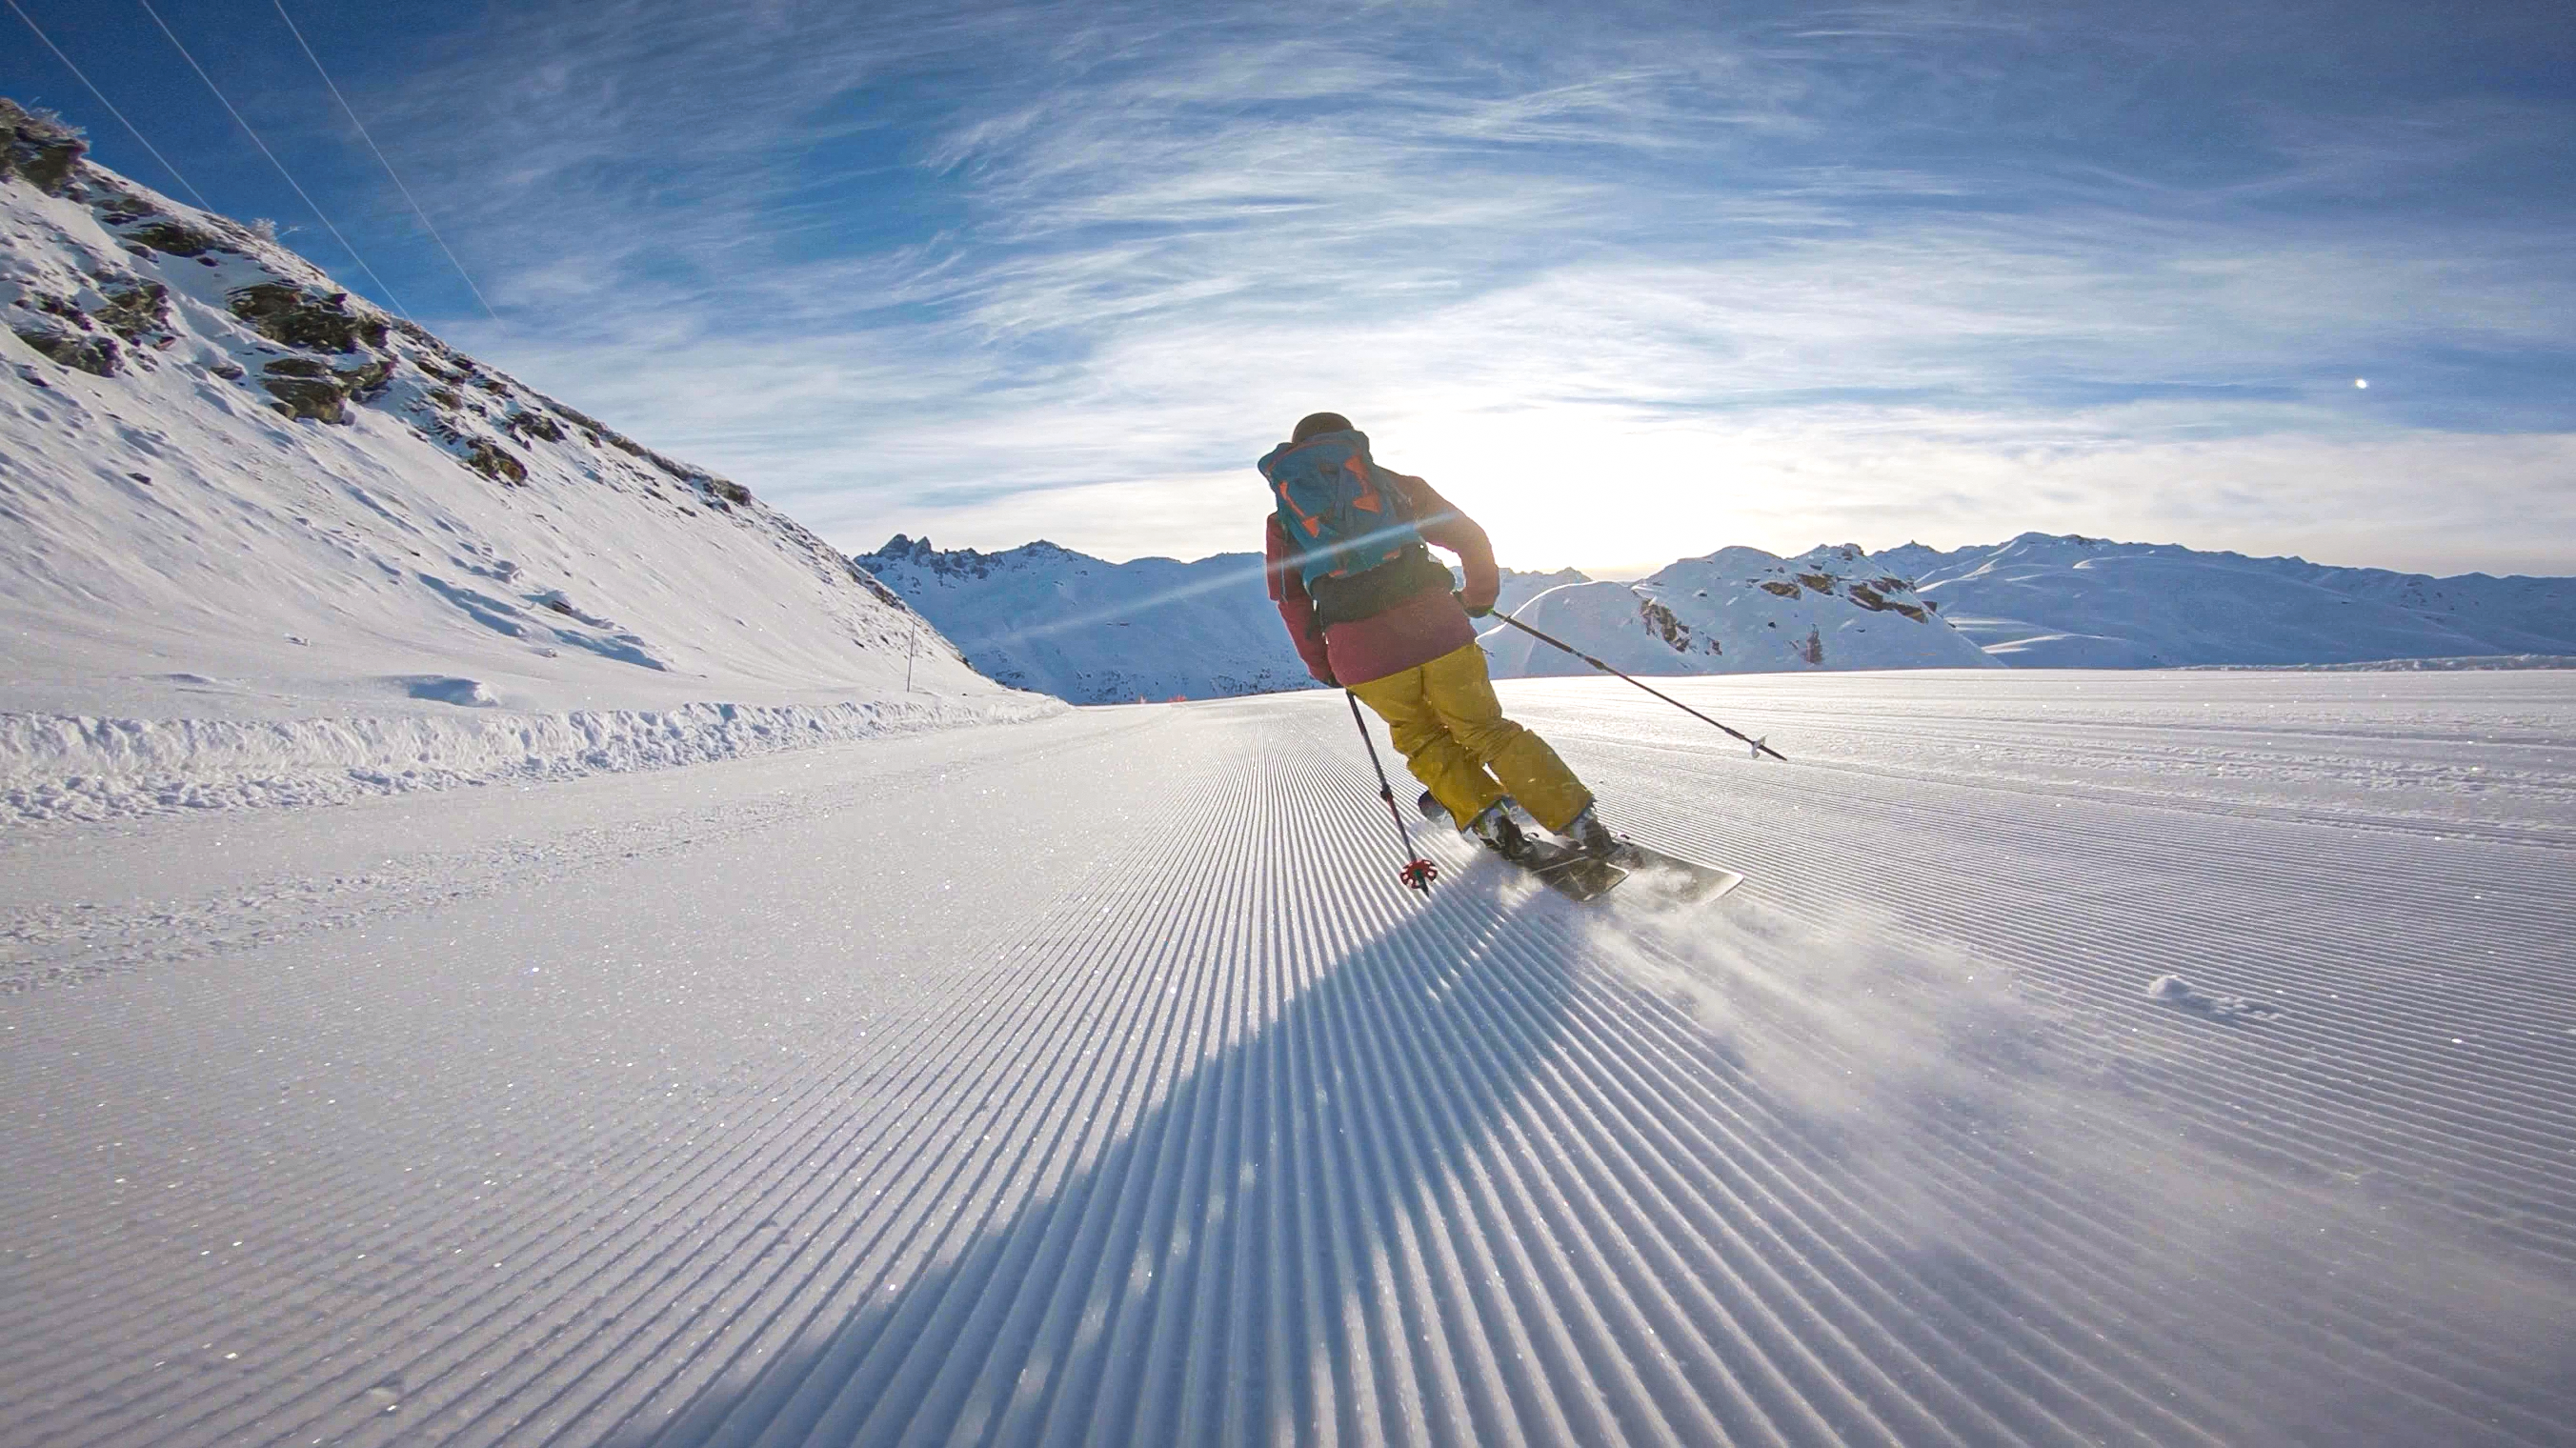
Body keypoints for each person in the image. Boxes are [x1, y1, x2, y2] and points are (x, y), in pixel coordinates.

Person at [1259, 412, 1617, 864]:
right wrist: (1478, 597)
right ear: (1352, 447)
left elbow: (1290, 601)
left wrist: (1324, 666)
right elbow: (1470, 536)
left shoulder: (1285, 522)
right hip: (1438, 630)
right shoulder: (1394, 486)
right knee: (1488, 730)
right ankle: (1579, 821)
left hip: (1362, 655)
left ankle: (1489, 820)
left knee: (1423, 739)